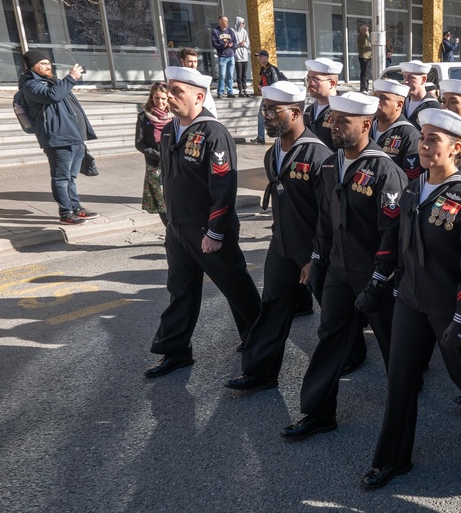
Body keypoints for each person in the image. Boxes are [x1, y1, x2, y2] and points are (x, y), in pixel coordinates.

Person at [361, 108, 461, 489]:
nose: (423, 146)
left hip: (449, 306)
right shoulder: (413, 186)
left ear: (456, 148)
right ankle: (392, 458)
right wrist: (380, 281)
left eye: (433, 140)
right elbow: (395, 240)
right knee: (401, 378)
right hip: (410, 299)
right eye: (422, 138)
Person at [283, 92, 408, 438]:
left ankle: (402, 414)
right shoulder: (329, 165)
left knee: (394, 348)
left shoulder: (385, 170)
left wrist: (379, 282)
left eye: (343, 122)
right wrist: (317, 262)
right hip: (338, 271)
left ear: (366, 125)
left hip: (375, 276)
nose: (333, 127)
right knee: (329, 339)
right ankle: (319, 412)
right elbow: (325, 221)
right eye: (332, 120)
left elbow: (391, 235)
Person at [144, 66, 261, 378]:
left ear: (199, 96)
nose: (169, 96)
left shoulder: (214, 133)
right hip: (178, 229)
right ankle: (175, 350)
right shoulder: (169, 130)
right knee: (180, 289)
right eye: (168, 89)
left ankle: (260, 342)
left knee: (236, 288)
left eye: (177, 91)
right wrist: (170, 222)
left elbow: (223, 189)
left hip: (208, 230)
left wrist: (215, 231)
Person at [224, 81, 332, 392]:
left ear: (296, 112)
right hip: (282, 246)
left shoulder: (318, 155)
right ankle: (260, 372)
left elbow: (328, 215)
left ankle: (355, 352)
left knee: (334, 312)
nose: (266, 115)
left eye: (274, 110)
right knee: (272, 306)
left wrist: (316, 257)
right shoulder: (273, 152)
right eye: (264, 109)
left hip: (315, 250)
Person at [18, 49, 99, 226]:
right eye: (43, 64)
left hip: (74, 138)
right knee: (61, 179)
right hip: (57, 139)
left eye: (49, 63)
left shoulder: (52, 82)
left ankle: (76, 208)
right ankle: (65, 212)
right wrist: (70, 78)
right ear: (32, 67)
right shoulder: (30, 85)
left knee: (70, 178)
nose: (48, 66)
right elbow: (52, 97)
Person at [135, 82, 172, 225]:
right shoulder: (144, 117)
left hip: (174, 164)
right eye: (157, 98)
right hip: (155, 166)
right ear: (151, 98)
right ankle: (170, 232)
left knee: (175, 199)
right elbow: (139, 143)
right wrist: (158, 155)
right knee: (162, 203)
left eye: (163, 98)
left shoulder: (175, 117)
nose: (160, 102)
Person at [371, 79, 422, 181]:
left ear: (399, 104)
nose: (377, 102)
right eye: (375, 97)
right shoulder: (367, 128)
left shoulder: (410, 135)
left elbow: (410, 178)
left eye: (383, 98)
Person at [302, 58, 343, 149]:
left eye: (316, 79)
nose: (310, 83)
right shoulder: (309, 111)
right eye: (308, 78)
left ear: (332, 83)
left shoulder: (342, 110)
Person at [251, 50, 286, 144]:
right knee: (262, 115)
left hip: (272, 96)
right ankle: (261, 137)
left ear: (266, 57)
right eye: (258, 57)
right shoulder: (263, 69)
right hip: (267, 95)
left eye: (261, 57)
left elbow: (275, 84)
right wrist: (260, 87)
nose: (259, 59)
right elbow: (263, 81)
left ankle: (279, 136)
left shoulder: (272, 69)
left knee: (274, 116)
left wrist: (268, 91)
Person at [177, 48, 218, 119]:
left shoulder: (201, 79)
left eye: (195, 61)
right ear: (182, 61)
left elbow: (209, 102)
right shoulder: (177, 79)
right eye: (190, 61)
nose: (193, 65)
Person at [400, 60, 441, 128]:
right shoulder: (402, 103)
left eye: (411, 77)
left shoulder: (433, 106)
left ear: (423, 79)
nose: (406, 82)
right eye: (404, 77)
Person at [211, 16, 236, 98]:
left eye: (227, 21)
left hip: (231, 55)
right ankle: (220, 92)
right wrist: (223, 45)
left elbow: (234, 42)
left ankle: (230, 92)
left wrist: (231, 45)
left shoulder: (231, 31)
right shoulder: (215, 31)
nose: (226, 22)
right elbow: (214, 44)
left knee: (230, 75)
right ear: (220, 21)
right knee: (222, 75)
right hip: (222, 56)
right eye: (225, 21)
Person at [232, 17, 251, 97]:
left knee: (244, 74)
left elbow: (248, 42)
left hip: (244, 55)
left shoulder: (244, 31)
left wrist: (244, 44)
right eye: (241, 23)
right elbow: (232, 45)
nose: (242, 25)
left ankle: (244, 89)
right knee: (239, 74)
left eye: (243, 23)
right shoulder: (233, 32)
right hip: (237, 56)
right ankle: (240, 90)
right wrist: (239, 44)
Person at [357, 25, 372, 93]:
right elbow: (366, 35)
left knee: (367, 73)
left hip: (368, 57)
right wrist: (366, 30)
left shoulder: (366, 40)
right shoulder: (361, 37)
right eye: (365, 30)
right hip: (364, 57)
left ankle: (366, 88)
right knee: (364, 73)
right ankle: (363, 88)